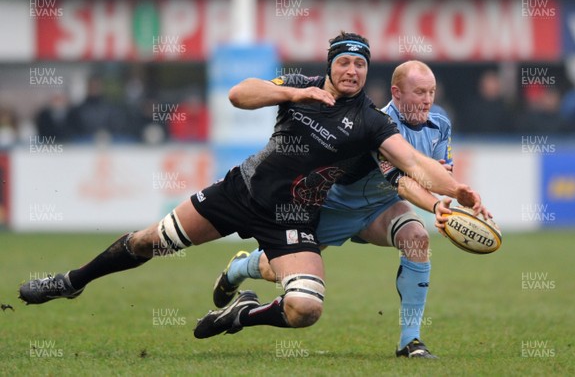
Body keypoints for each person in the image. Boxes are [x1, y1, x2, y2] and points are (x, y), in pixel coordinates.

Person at [19, 32, 482, 344]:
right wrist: (292, 94)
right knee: (149, 241)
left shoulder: (371, 121)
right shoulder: (299, 85)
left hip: (294, 220)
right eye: (344, 62)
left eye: (360, 65)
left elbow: (416, 165)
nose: (352, 71)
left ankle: (243, 313)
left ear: (366, 72)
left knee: (305, 309)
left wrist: (456, 190)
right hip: (240, 192)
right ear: (330, 65)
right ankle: (72, 282)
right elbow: (240, 94)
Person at [212, 60, 467, 358]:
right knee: (271, 269)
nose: (426, 99)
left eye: (431, 92)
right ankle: (239, 268)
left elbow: (438, 176)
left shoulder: (441, 125)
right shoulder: (376, 124)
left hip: (380, 209)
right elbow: (402, 182)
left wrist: (458, 198)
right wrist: (437, 205)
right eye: (419, 92)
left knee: (416, 237)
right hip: (334, 207)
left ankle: (410, 342)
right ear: (396, 93)